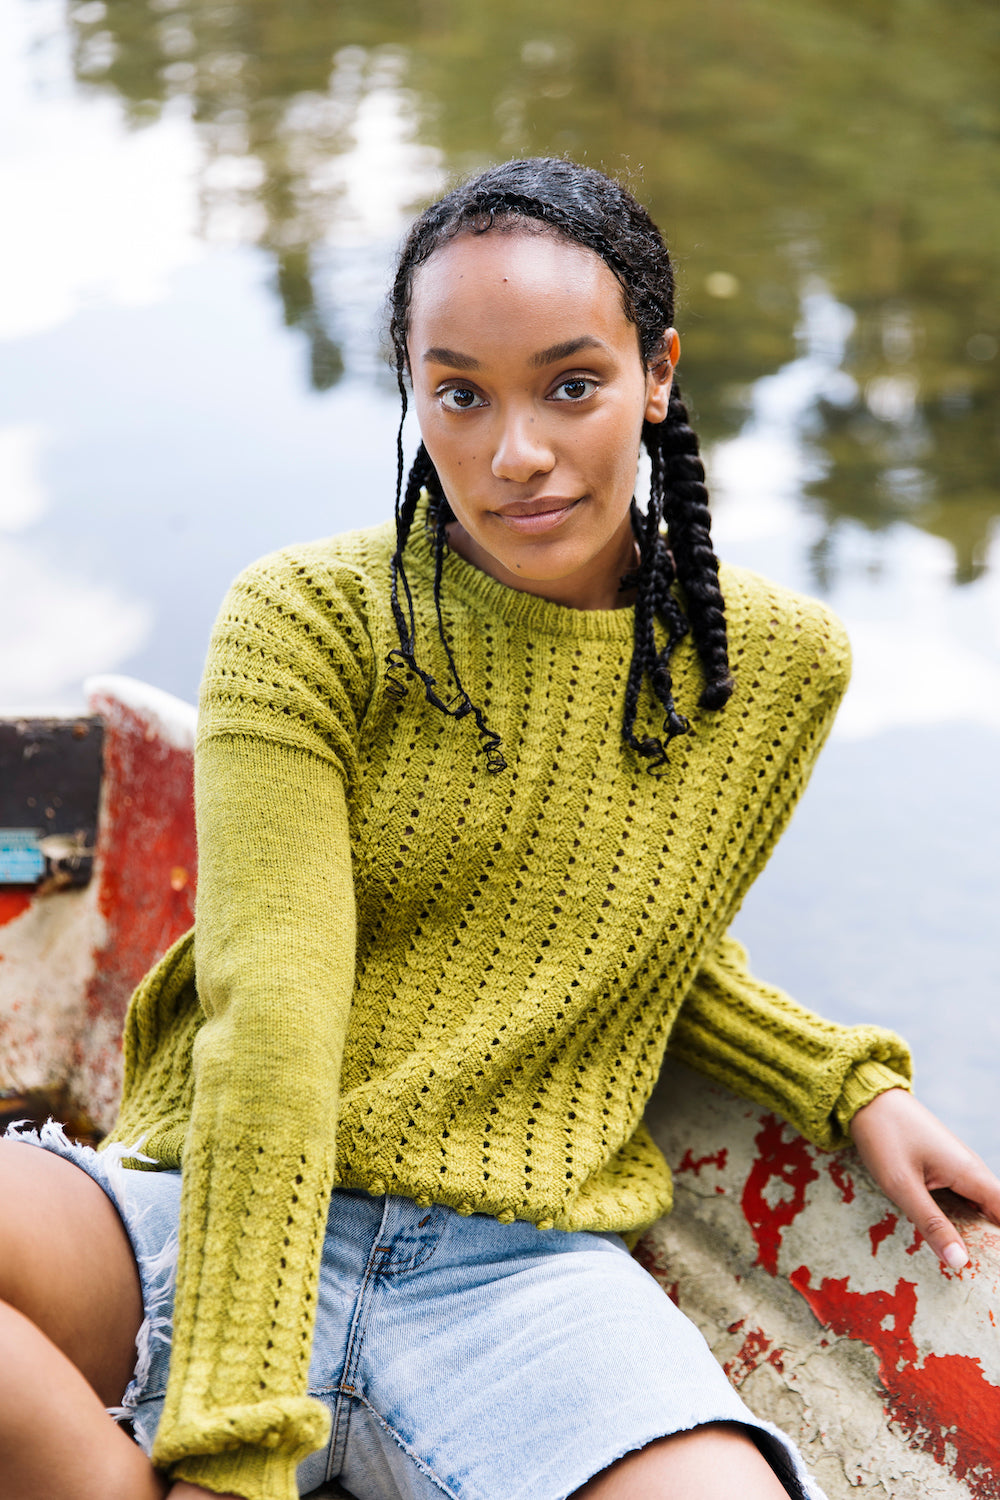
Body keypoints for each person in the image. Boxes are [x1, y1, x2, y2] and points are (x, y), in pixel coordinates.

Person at [2, 157, 998, 1500]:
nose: (514, 453)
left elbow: (634, 927)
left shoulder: (769, 669)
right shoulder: (306, 620)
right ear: (416, 395)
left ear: (657, 374)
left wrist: (843, 1082)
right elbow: (271, 1020)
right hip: (219, 1209)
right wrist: (230, 1438)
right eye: (461, 394)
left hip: (521, 1275)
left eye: (571, 386)